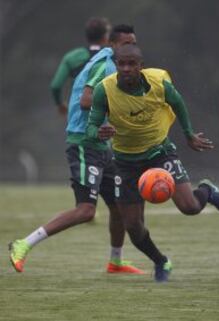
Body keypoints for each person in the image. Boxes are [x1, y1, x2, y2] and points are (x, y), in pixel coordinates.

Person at [86, 44, 219, 282]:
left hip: (159, 152)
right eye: (121, 64)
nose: (125, 68)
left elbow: (178, 103)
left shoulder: (158, 84)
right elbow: (91, 126)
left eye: (131, 64)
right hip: (125, 163)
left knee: (190, 208)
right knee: (133, 228)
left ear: (140, 66)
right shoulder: (105, 90)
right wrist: (99, 131)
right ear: (116, 65)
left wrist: (188, 134)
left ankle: (206, 189)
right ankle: (161, 261)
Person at [9, 25, 143, 275]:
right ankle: (24, 243)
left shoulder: (114, 63)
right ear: (112, 45)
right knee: (86, 210)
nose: (131, 47)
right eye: (126, 43)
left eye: (134, 42)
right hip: (84, 143)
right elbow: (86, 101)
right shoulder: (106, 65)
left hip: (102, 144)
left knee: (118, 206)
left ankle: (116, 261)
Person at [50, 17, 111, 115]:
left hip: (77, 115)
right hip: (104, 115)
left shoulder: (72, 57)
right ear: (105, 37)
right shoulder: (111, 56)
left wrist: (60, 104)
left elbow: (55, 86)